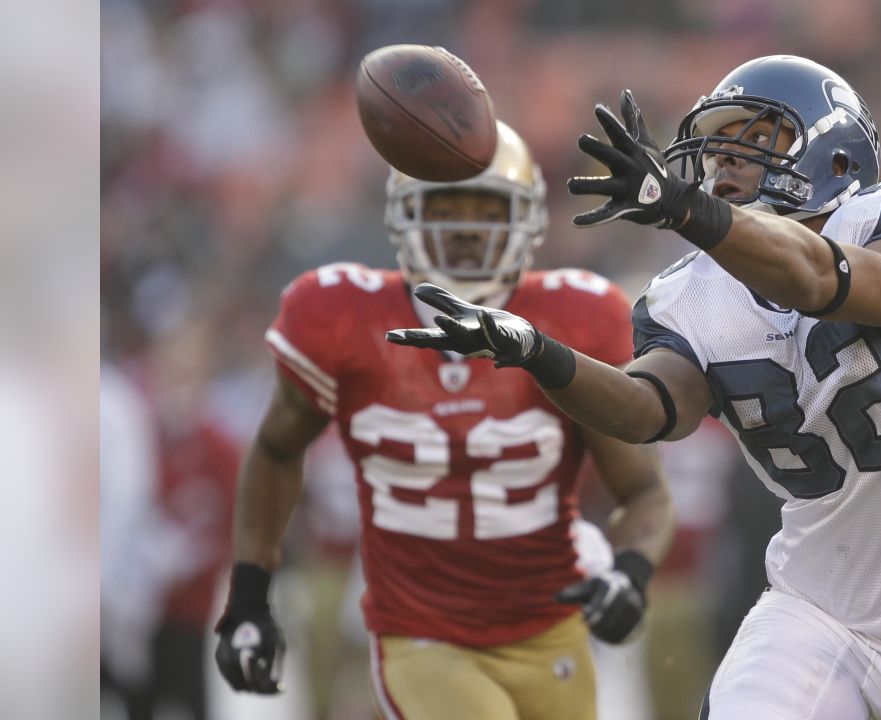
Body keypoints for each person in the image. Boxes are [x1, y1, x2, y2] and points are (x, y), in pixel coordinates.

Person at [388, 55, 881, 720]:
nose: (728, 160)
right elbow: (648, 409)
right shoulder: (689, 297)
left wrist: (684, 209)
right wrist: (538, 353)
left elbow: (820, 281)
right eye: (723, 143)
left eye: (759, 139)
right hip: (820, 609)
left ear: (838, 157)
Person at [213, 121, 676, 720]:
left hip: (549, 626)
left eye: (484, 210)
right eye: (444, 207)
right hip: (420, 632)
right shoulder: (338, 314)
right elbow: (277, 449)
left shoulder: (578, 315)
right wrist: (249, 598)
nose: (462, 228)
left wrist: (629, 575)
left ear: (526, 220)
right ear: (404, 216)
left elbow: (643, 489)